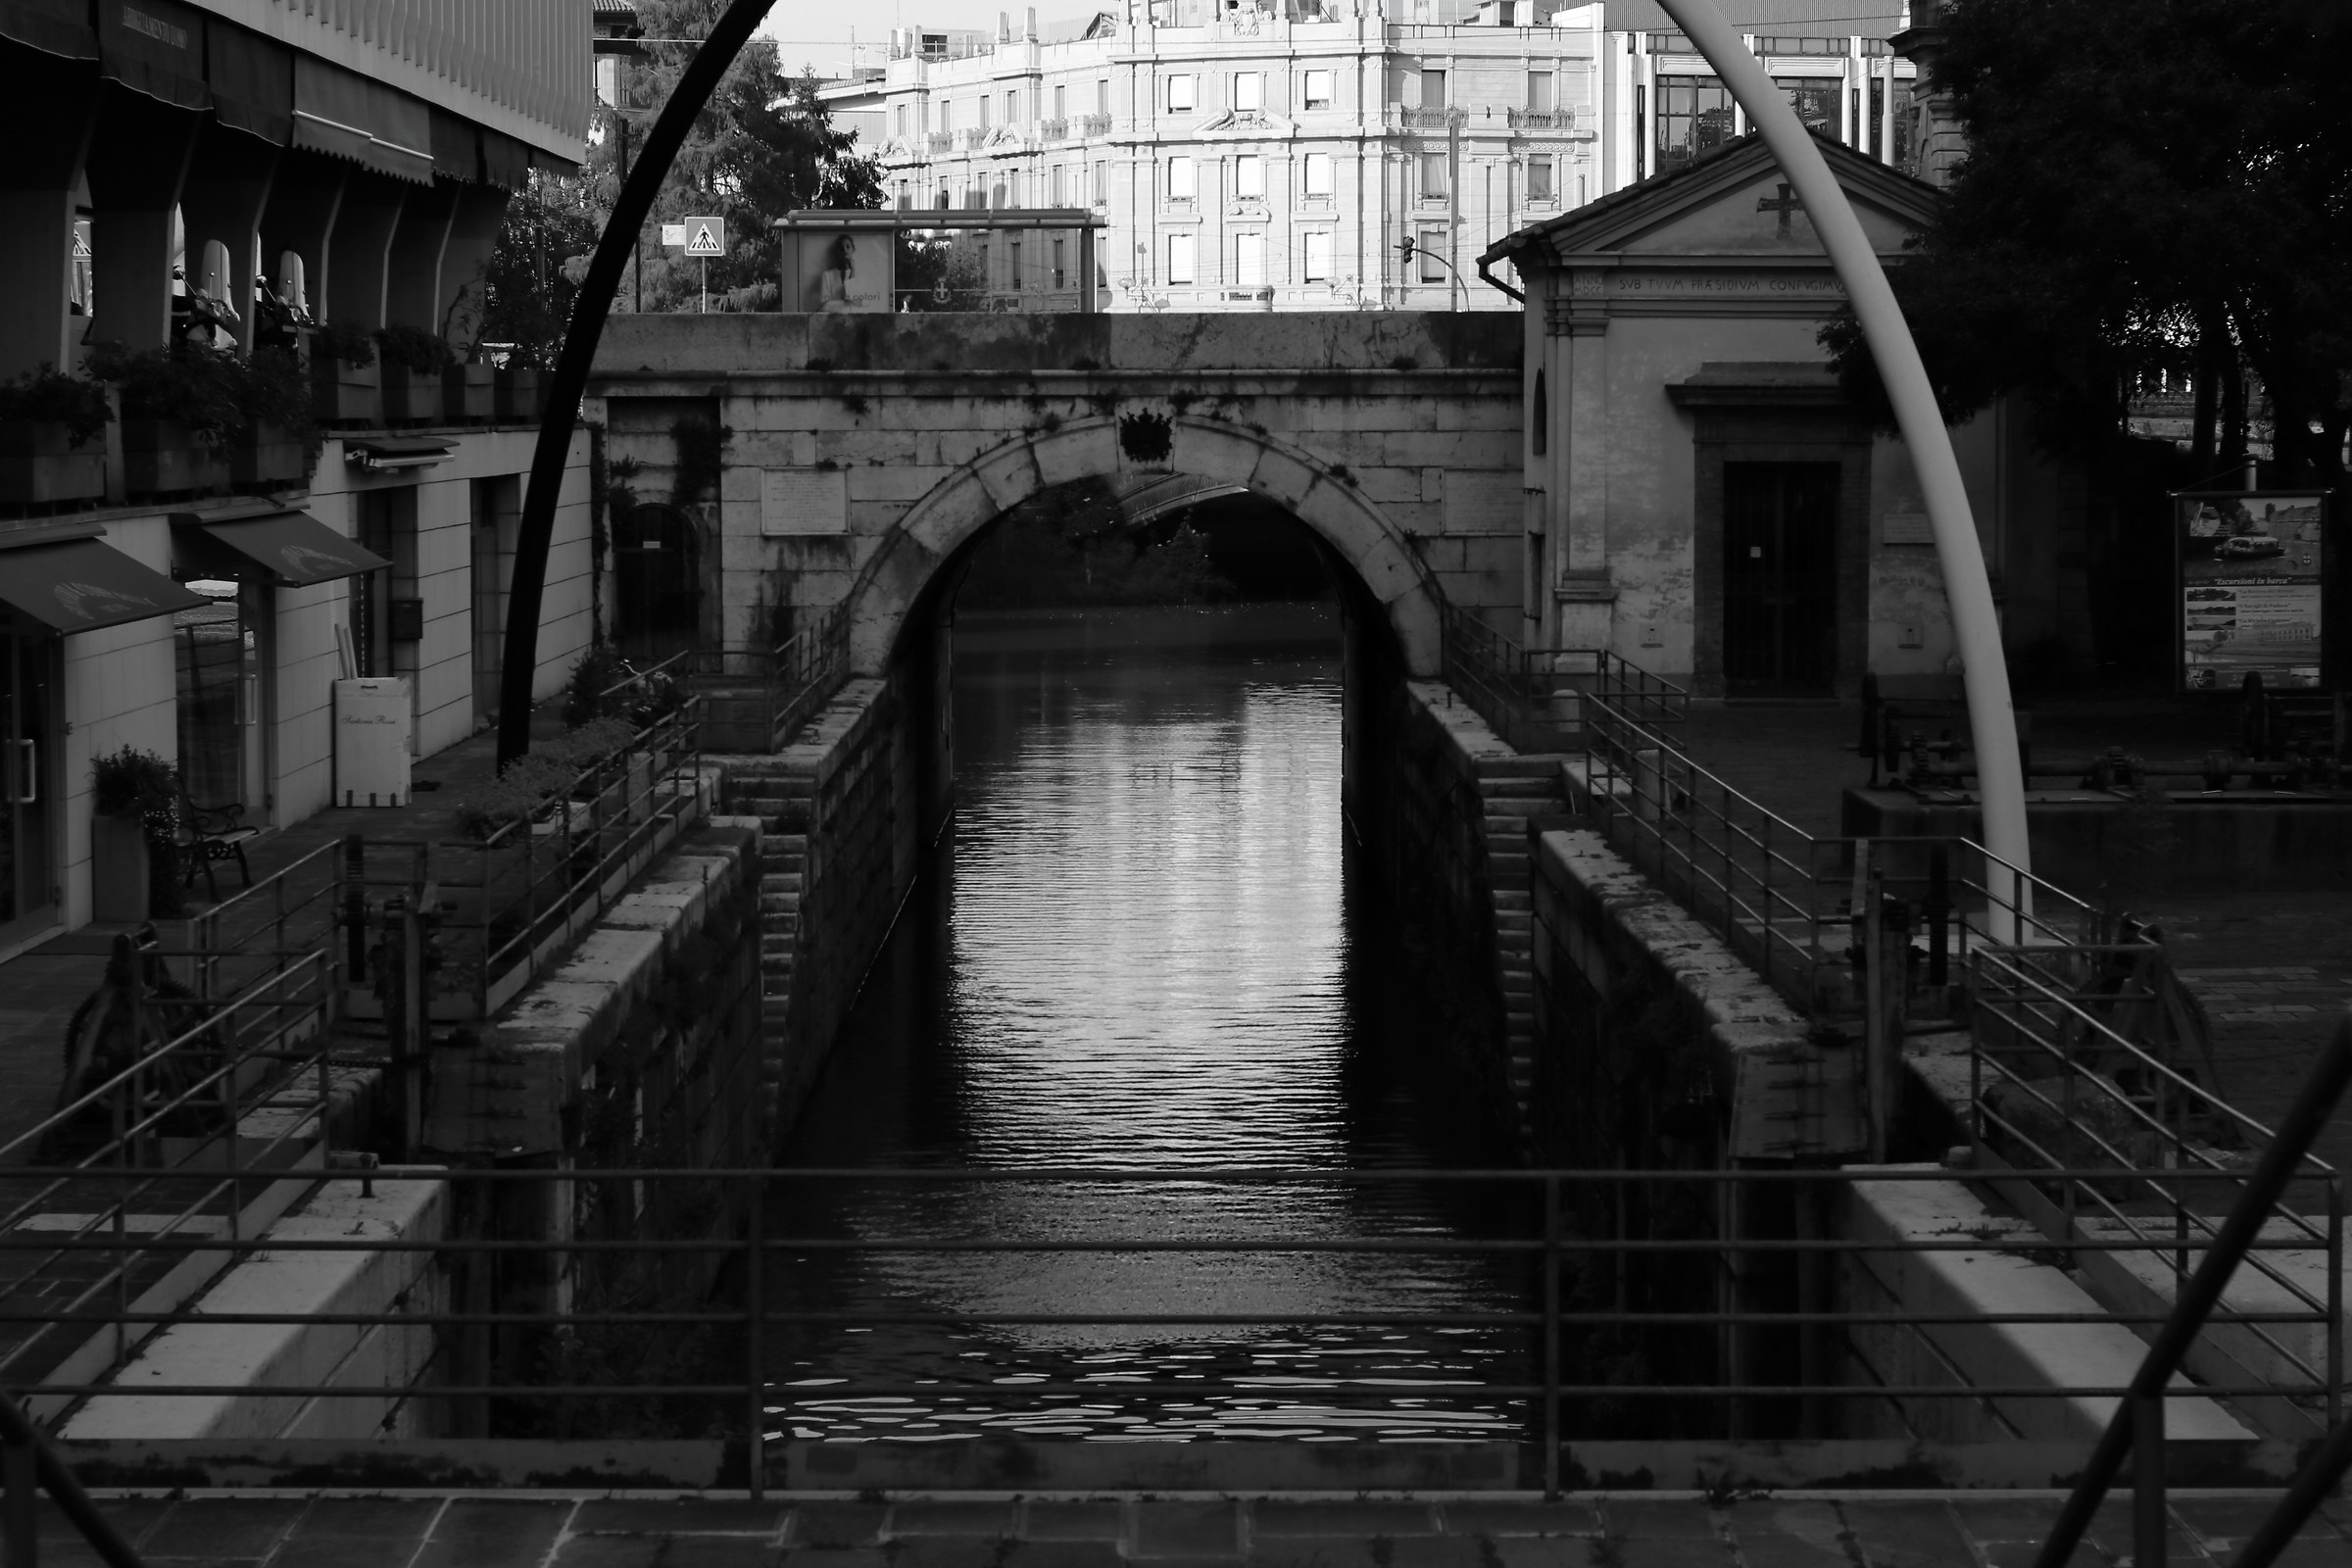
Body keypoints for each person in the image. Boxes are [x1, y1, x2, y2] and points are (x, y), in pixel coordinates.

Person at [812, 233, 858, 312]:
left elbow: (851, 298)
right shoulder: (827, 276)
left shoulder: (858, 277)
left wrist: (852, 271)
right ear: (837, 252)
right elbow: (824, 306)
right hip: (833, 318)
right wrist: (845, 304)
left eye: (848, 247)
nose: (845, 250)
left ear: (853, 249)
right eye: (841, 248)